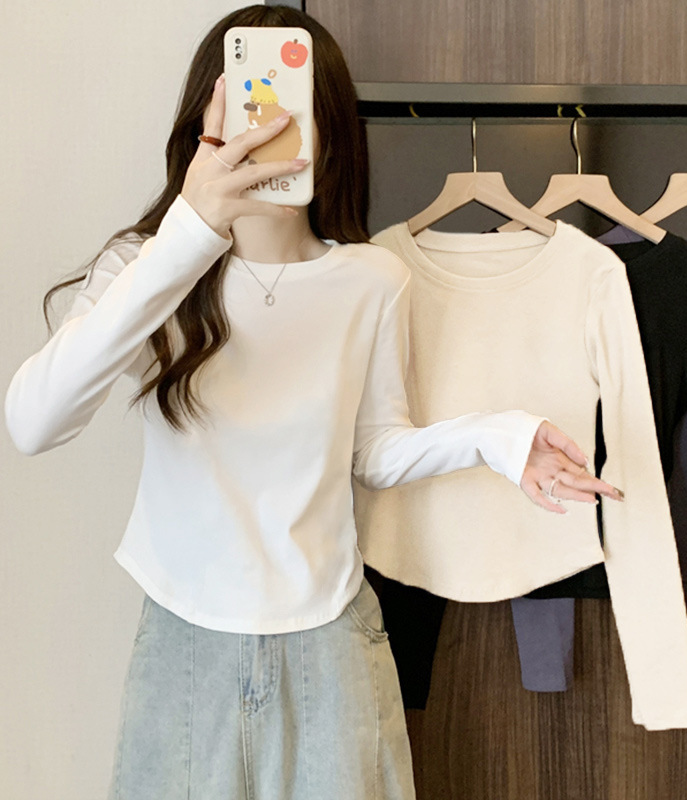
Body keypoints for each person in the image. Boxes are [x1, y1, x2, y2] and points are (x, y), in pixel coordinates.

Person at [4, 5, 621, 799]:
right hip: (184, 644)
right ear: (203, 129)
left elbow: (374, 451)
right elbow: (34, 422)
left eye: (288, 112)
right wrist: (191, 231)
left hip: (331, 642)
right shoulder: (146, 268)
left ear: (328, 135)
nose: (265, 135)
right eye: (245, 113)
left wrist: (500, 437)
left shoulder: (371, 279)